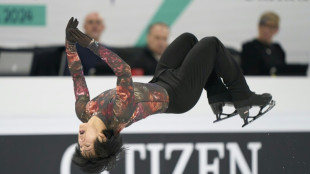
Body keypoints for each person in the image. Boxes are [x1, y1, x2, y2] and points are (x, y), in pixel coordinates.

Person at [65, 18, 275, 173]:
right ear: (102, 137)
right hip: (179, 94)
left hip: (161, 79)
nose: (81, 141)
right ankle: (243, 96)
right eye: (87, 146)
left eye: (80, 146)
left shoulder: (84, 111)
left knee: (188, 40)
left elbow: (77, 77)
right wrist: (92, 44)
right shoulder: (119, 114)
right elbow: (123, 70)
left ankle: (217, 93)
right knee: (211, 44)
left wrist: (70, 43)